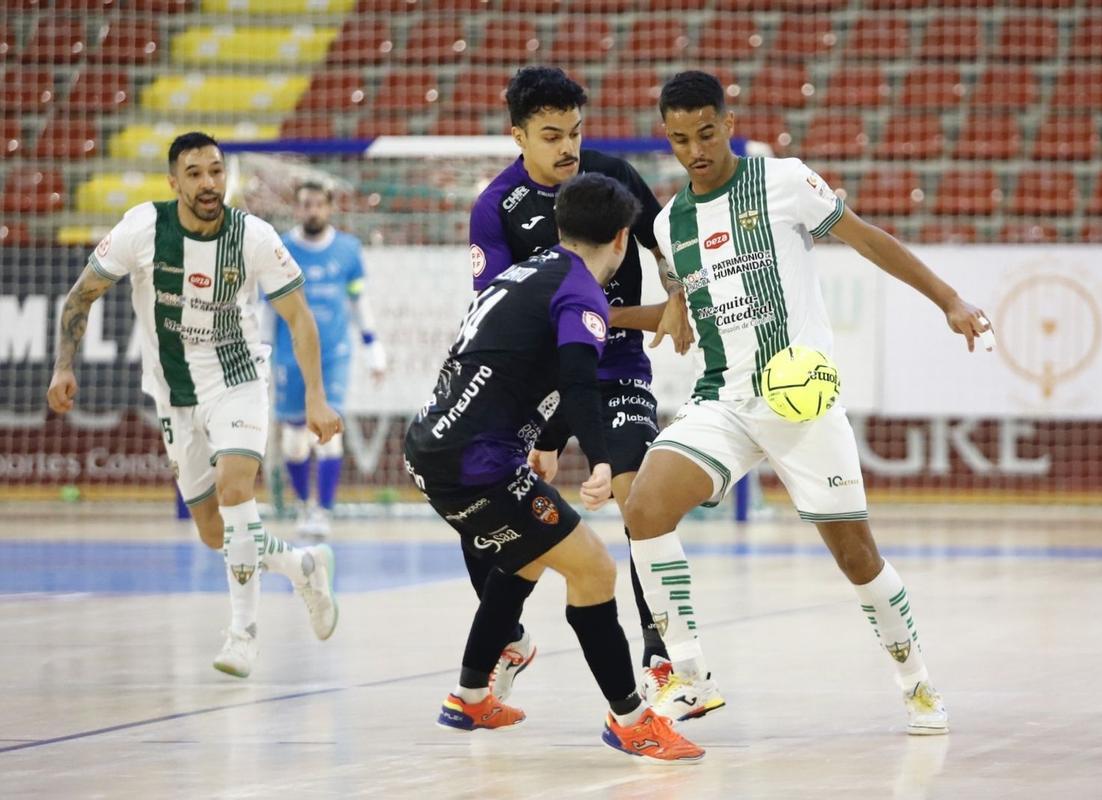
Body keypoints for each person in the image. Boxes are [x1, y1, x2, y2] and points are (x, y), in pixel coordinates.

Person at [623, 71, 995, 734]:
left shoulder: (783, 180)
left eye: (706, 133)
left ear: (727, 124)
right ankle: (689, 675)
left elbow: (867, 237)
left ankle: (916, 682)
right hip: (725, 403)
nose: (695, 150)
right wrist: (660, 311)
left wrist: (950, 300)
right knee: (645, 508)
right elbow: (684, 300)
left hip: (800, 402)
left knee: (856, 556)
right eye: (680, 139)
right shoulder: (669, 221)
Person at [404, 173, 703, 764]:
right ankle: (633, 721)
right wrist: (601, 458)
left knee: (528, 556)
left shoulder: (528, 271)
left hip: (428, 449)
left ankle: (469, 696)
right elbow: (578, 382)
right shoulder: (582, 294)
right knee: (593, 571)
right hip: (478, 463)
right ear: (623, 240)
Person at [46, 132, 342, 679]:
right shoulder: (141, 228)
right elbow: (80, 295)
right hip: (172, 394)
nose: (209, 183)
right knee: (214, 533)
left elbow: (300, 317)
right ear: (174, 181)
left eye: (216, 171)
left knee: (236, 493)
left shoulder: (253, 236)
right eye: (196, 173)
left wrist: (317, 398)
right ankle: (302, 565)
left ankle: (243, 634)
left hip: (238, 380)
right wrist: (65, 365)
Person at [467, 65, 695, 704]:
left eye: (574, 131)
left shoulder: (610, 175)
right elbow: (510, 318)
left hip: (616, 365)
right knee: (483, 515)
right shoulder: (495, 209)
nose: (568, 148)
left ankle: (660, 652)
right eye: (549, 136)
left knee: (637, 494)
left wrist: (674, 291)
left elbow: (664, 241)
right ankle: (508, 639)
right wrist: (540, 429)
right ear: (518, 136)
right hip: (543, 378)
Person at [273, 181, 386, 540]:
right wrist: (261, 350)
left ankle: (323, 511)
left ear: (330, 208)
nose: (312, 211)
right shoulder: (281, 249)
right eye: (306, 205)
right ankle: (304, 505)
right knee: (293, 442)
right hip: (289, 356)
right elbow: (266, 305)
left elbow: (358, 301)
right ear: (297, 209)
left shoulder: (348, 250)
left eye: (318, 205)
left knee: (329, 433)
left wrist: (372, 347)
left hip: (334, 355)